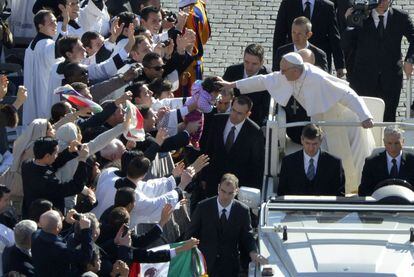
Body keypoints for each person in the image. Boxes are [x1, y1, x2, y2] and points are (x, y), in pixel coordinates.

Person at [219, 52, 375, 194]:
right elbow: (262, 81)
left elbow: (348, 94)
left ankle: (355, 192)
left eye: (284, 70)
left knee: (353, 160)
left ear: (295, 70)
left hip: (346, 121)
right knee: (328, 160)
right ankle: (335, 192)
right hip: (323, 121)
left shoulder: (317, 78)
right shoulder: (288, 75)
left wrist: (365, 115)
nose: (281, 73)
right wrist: (232, 85)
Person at [341, 0, 414, 122]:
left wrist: (409, 60)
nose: (380, 2)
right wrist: (350, 23)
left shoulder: (400, 17)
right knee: (365, 119)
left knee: (388, 119)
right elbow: (345, 45)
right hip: (363, 80)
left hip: (391, 80)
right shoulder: (361, 16)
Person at [187, 173, 267, 276]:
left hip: (229, 267)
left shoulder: (242, 211)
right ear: (218, 188)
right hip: (204, 265)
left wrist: (253, 253)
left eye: (230, 193)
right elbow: (190, 234)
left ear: (236, 192)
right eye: (223, 191)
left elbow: (247, 236)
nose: (225, 196)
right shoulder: (203, 207)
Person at [201, 96, 265, 198]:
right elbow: (208, 150)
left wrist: (251, 191)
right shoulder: (217, 121)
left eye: (239, 113)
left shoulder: (255, 132)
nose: (234, 115)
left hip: (238, 188)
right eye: (233, 110)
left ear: (248, 114)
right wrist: (204, 177)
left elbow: (257, 165)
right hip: (214, 183)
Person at [21, 137, 92, 217]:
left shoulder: (27, 164)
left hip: (29, 212)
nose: (57, 156)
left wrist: (70, 151)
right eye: (56, 153)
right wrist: (82, 160)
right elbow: (76, 186)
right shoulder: (47, 183)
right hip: (46, 221)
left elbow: (50, 165)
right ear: (47, 155)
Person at [272, 0, 345, 75]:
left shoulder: (327, 6)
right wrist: (275, 65)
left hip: (318, 60)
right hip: (292, 57)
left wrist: (340, 65)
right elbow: (279, 34)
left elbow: (334, 36)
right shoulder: (287, 3)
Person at [23, 10, 66, 125]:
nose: (55, 24)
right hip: (44, 94)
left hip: (33, 96)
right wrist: (64, 28)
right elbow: (55, 53)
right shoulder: (46, 43)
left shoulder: (33, 43)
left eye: (56, 21)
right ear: (40, 26)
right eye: (51, 22)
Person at [278, 124, 345, 196]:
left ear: (320, 141)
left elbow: (339, 196)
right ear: (302, 140)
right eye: (307, 143)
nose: (311, 148)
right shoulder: (288, 163)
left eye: (314, 144)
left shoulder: (334, 164)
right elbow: (282, 193)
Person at [31, 210, 93, 277]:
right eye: (61, 219)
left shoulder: (35, 235)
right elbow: (85, 257)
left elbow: (54, 233)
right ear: (57, 227)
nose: (62, 218)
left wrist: (67, 223)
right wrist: (86, 230)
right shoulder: (60, 249)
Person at [222, 43, 271, 127]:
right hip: (231, 117)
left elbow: (266, 109)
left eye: (254, 64)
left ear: (262, 63)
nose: (249, 67)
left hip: (254, 121)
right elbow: (222, 93)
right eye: (246, 62)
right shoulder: (232, 71)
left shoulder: (268, 77)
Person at [359, 126, 414, 196]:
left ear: (403, 142)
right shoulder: (372, 162)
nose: (393, 147)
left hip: (406, 204)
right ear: (384, 142)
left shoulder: (412, 161)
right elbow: (364, 190)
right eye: (389, 143)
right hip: (380, 204)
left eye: (397, 143)